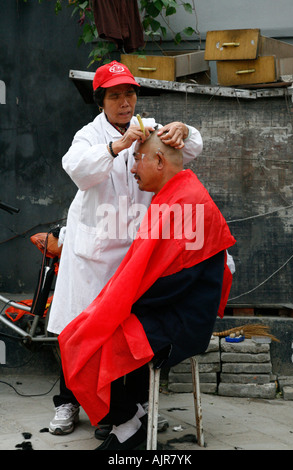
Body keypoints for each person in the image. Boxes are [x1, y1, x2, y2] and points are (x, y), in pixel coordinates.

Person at [47, 60, 203, 435]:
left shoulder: (149, 128)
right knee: (78, 332)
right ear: (101, 100)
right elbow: (79, 170)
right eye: (115, 95)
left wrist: (185, 129)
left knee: (128, 333)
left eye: (130, 93)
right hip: (92, 256)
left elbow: (191, 148)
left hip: (134, 254)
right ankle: (69, 402)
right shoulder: (88, 135)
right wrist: (118, 146)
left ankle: (128, 411)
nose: (125, 102)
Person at [58, 130, 236, 450]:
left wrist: (124, 303)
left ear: (158, 160)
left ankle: (127, 420)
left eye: (137, 159)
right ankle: (132, 414)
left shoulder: (187, 201)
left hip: (182, 320)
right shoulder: (173, 194)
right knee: (80, 333)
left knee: (90, 341)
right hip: (169, 308)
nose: (133, 168)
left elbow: (182, 280)